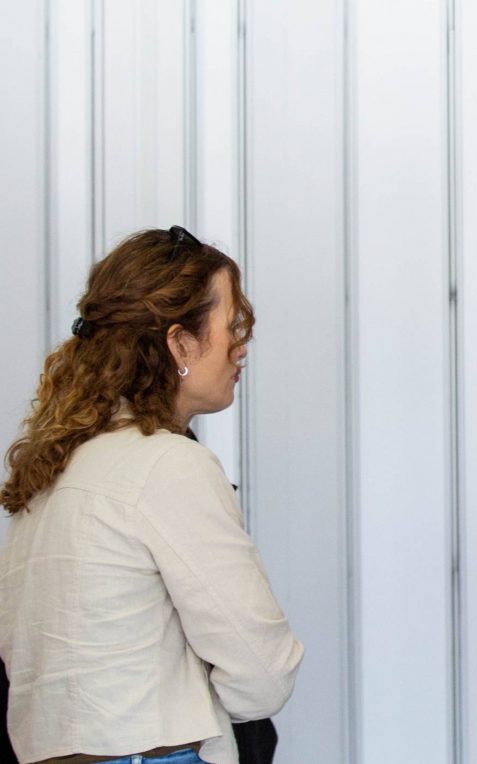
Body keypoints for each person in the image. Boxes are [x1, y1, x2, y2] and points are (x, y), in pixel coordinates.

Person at [0, 227, 303, 764]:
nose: (241, 349)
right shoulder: (168, 464)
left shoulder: (52, 467)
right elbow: (264, 672)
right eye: (232, 327)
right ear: (179, 343)